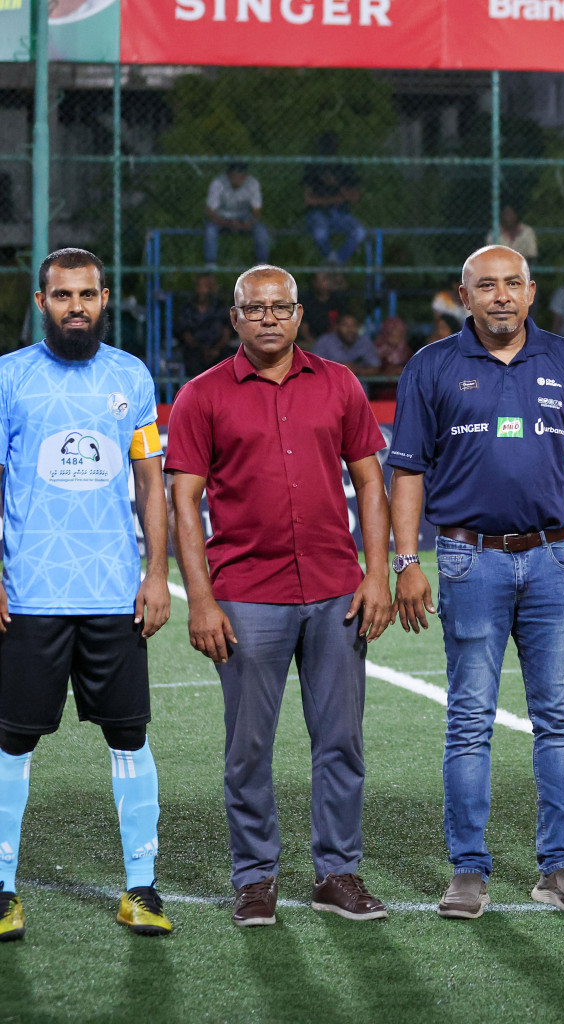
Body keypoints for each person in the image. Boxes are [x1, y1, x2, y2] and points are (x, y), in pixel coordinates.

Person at [391, 245, 564, 918]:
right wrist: (407, 561)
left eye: (511, 283)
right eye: (485, 285)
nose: (500, 296)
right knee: (468, 721)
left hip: (551, 560)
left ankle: (560, 866)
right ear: (464, 297)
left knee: (560, 720)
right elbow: (407, 472)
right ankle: (468, 870)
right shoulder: (431, 366)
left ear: (531, 291)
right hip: (467, 559)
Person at [167, 263, 394, 927]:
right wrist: (201, 600)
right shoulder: (202, 395)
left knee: (341, 742)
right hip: (246, 595)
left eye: (281, 306)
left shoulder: (341, 385)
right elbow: (185, 501)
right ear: (235, 318)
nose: (269, 317)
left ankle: (337, 873)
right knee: (248, 748)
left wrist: (376, 573)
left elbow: (371, 483)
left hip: (334, 591)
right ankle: (255, 877)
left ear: (300, 315)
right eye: (254, 307)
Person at [0, 248, 173, 940]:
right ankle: (3, 889)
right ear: (42, 302)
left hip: (112, 592)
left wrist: (156, 573)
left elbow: (149, 481)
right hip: (31, 592)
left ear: (107, 299)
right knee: (12, 743)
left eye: (88, 295)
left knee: (129, 734)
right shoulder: (9, 378)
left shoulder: (130, 376)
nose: (77, 306)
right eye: (63, 295)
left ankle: (142, 887)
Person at [303, 132, 366, 265]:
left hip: (340, 213)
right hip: (319, 213)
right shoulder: (314, 167)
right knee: (319, 232)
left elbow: (355, 198)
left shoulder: (344, 167)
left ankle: (336, 262)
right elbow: (308, 200)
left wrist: (336, 184)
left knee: (359, 231)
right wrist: (335, 199)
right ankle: (332, 261)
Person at [205, 162, 271, 266]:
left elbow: (257, 210)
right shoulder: (218, 183)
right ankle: (210, 264)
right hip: (222, 217)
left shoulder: (252, 183)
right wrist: (228, 223)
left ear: (245, 175)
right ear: (228, 174)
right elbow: (210, 211)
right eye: (233, 173)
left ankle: (261, 264)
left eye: (240, 173)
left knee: (261, 231)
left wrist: (249, 223)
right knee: (210, 230)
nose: (237, 177)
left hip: (244, 217)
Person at [176, 272, 233, 377]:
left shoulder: (221, 307)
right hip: (196, 351)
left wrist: (216, 349)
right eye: (200, 286)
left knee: (228, 359)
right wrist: (203, 350)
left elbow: (226, 334)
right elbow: (186, 335)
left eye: (206, 286)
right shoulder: (187, 309)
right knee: (192, 358)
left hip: (218, 351)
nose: (203, 290)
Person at [298, 271, 352, 349]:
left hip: (335, 340)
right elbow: (303, 325)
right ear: (314, 282)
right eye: (323, 279)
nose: (327, 282)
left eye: (328, 279)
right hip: (311, 341)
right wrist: (313, 341)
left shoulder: (338, 300)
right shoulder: (306, 300)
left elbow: (342, 322)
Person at [313, 313, 380, 376]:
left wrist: (357, 370)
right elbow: (314, 365)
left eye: (353, 325)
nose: (350, 329)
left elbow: (376, 367)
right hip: (332, 386)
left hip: (358, 387)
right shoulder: (324, 342)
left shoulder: (365, 343)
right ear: (337, 327)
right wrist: (339, 367)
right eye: (345, 325)